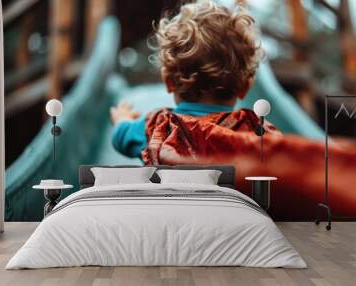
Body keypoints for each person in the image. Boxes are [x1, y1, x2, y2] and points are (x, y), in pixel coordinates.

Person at [110, 1, 356, 219]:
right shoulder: (257, 134)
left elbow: (120, 139)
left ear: (168, 81)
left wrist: (122, 119)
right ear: (246, 87)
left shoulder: (155, 127)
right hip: (233, 223)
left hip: (171, 222)